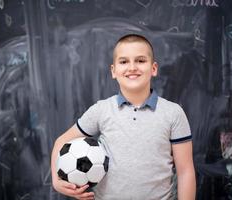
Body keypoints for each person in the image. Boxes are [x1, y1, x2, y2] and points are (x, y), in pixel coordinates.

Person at [51, 34, 196, 200]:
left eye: (140, 61)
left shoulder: (173, 113)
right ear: (114, 71)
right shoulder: (101, 110)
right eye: (124, 61)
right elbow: (61, 142)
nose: (132, 67)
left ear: (154, 68)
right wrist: (56, 181)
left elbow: (185, 171)